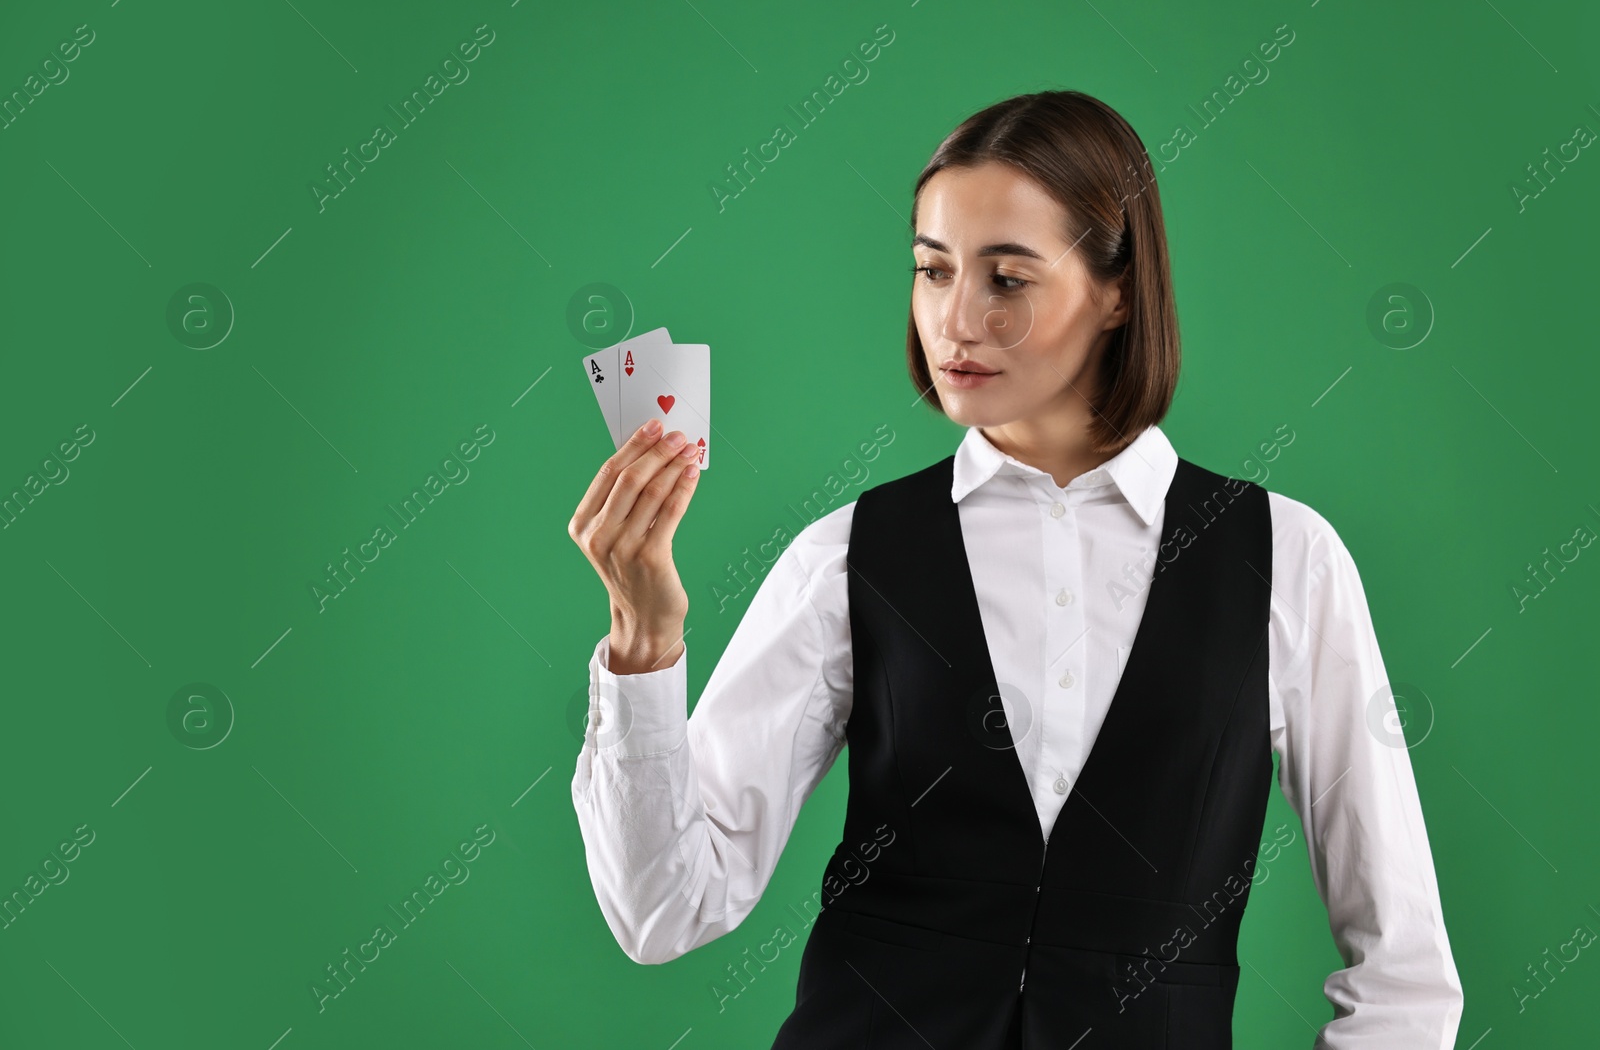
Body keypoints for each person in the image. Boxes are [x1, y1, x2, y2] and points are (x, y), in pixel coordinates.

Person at [568, 90, 1463, 1048]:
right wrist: (644, 642)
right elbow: (665, 913)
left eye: (1007, 279)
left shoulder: (1289, 560)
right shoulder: (842, 556)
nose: (955, 321)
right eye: (932, 269)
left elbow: (1405, 973)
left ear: (1118, 291)